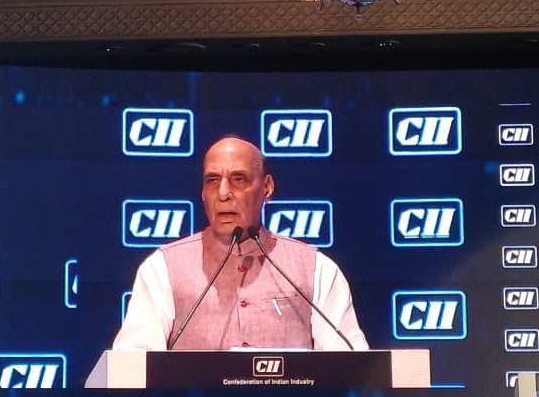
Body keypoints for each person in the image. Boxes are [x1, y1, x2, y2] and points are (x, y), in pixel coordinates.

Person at [113, 136, 369, 351]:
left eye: (239, 179)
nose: (223, 193)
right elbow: (131, 366)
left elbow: (352, 367)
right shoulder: (161, 269)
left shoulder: (316, 269)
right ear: (202, 192)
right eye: (212, 181)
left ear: (267, 188)